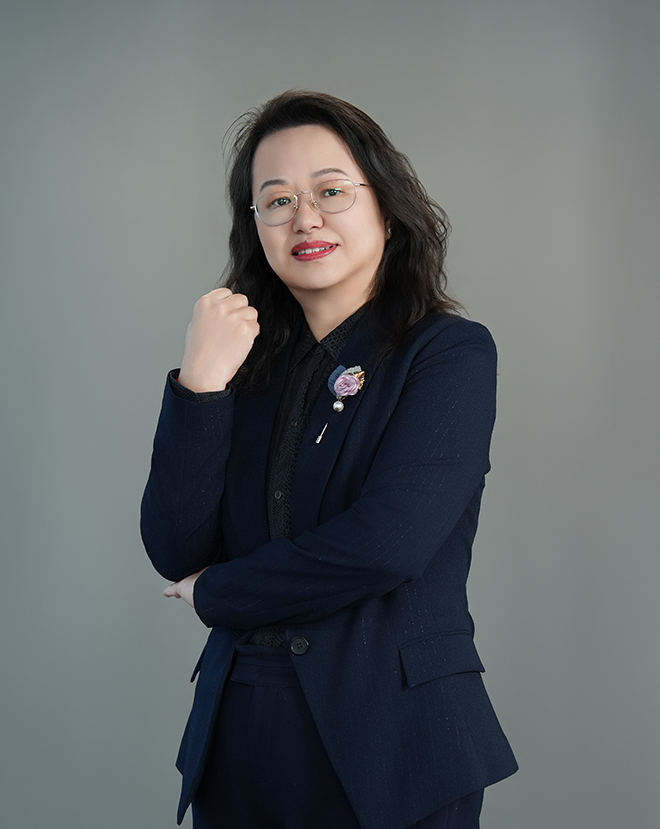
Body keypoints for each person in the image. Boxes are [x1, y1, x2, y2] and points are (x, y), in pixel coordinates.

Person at [141, 90, 517, 829]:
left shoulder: (447, 353)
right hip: (241, 731)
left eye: (331, 191)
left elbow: (386, 544)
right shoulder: (243, 365)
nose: (305, 218)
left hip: (394, 739)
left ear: (387, 207)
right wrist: (200, 383)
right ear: (255, 225)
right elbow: (176, 547)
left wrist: (218, 591)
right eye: (276, 200)